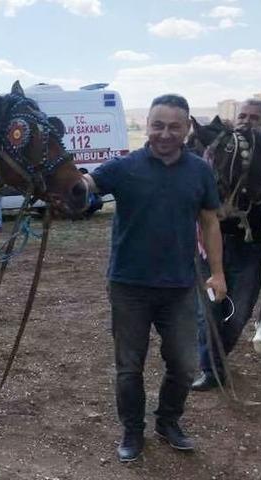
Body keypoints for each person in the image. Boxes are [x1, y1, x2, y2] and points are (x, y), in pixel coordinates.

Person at [82, 94, 226, 462]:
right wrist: (69, 183)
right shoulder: (124, 167)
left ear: (187, 128)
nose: (164, 133)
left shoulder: (199, 171)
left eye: (174, 127)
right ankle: (133, 430)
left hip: (180, 287)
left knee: (185, 365)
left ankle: (167, 421)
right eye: (157, 125)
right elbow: (87, 184)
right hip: (129, 286)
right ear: (146, 126)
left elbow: (210, 223)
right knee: (129, 367)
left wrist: (218, 273)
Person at [192, 98, 261, 392]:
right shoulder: (214, 150)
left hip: (251, 243)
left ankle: (216, 357)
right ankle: (211, 369)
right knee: (209, 311)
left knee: (239, 313)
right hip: (211, 242)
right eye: (243, 116)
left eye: (255, 117)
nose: (247, 121)